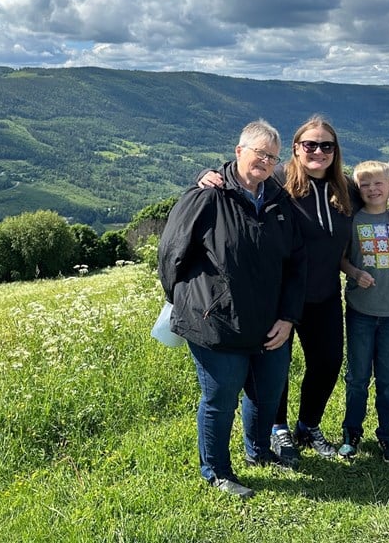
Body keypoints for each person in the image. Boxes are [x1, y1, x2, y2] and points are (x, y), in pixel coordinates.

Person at [159, 119, 306, 499]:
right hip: (216, 321)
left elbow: (296, 264)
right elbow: (171, 253)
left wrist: (288, 316)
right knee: (221, 397)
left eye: (272, 157)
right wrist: (190, 302)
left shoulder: (278, 201)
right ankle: (217, 471)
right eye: (259, 154)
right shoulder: (208, 195)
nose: (265, 163)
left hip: (269, 322)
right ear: (239, 151)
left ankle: (258, 452)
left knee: (267, 392)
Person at [198, 115, 353, 462]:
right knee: (276, 367)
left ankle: (308, 426)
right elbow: (243, 176)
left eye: (326, 146)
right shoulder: (279, 181)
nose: (317, 151)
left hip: (325, 294)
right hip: (278, 295)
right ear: (296, 149)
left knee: (327, 363)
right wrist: (208, 176)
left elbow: (378, 199)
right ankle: (277, 429)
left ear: (335, 151)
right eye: (309, 144)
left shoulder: (345, 187)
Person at [337, 161, 389, 462]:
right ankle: (352, 432)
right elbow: (340, 258)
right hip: (360, 310)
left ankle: (388, 433)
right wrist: (354, 272)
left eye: (379, 183)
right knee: (357, 377)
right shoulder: (352, 220)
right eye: (365, 185)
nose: (372, 189)